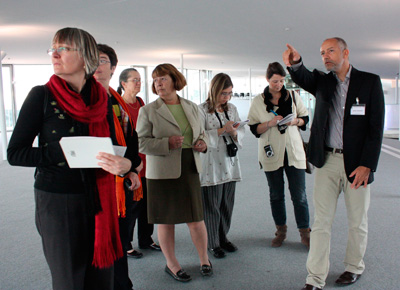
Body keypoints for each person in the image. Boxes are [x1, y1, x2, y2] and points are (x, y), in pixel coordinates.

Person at [7, 27, 134, 290]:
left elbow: (116, 147)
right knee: (70, 280)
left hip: (99, 199)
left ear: (86, 56)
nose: (54, 54)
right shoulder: (41, 96)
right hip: (57, 202)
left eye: (63, 48)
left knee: (102, 279)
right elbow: (15, 154)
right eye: (52, 49)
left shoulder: (101, 99)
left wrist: (126, 165)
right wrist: (65, 151)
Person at [282, 37, 385, 290]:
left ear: (345, 52)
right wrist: (296, 64)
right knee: (321, 222)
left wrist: (367, 164)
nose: (325, 56)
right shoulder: (322, 81)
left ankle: (353, 267)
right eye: (321, 53)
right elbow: (304, 77)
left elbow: (375, 127)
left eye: (330, 51)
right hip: (326, 161)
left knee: (357, 220)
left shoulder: (369, 82)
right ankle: (315, 278)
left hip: (357, 165)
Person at [136, 63, 212, 282]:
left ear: (175, 80)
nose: (158, 84)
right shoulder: (148, 110)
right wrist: (165, 143)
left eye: (163, 79)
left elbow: (203, 134)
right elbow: (140, 143)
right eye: (155, 80)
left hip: (189, 166)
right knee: (165, 220)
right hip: (162, 172)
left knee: (196, 219)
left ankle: (204, 259)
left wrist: (202, 144)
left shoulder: (191, 106)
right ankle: (172, 264)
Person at [94, 44, 143, 290]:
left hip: (120, 185)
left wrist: (132, 167)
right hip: (94, 186)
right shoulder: (83, 101)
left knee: (120, 242)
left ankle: (122, 284)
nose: (95, 65)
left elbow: (131, 144)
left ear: (113, 68)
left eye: (102, 60)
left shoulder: (117, 105)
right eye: (90, 59)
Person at [247, 62, 311, 248]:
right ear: (268, 80)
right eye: (275, 81)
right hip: (271, 152)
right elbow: (254, 128)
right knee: (276, 195)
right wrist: (270, 123)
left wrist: (295, 121)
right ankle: (281, 231)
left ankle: (305, 232)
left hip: (293, 151)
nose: (279, 84)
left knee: (299, 195)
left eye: (282, 81)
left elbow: (305, 118)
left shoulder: (292, 96)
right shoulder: (259, 101)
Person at [198, 73, 244, 259]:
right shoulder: (201, 109)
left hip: (230, 162)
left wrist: (234, 132)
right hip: (210, 164)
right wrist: (222, 130)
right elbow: (199, 136)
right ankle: (212, 243)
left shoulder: (231, 109)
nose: (227, 97)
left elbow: (241, 131)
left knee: (227, 204)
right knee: (211, 205)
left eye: (230, 93)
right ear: (214, 90)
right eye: (224, 93)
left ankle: (223, 237)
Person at [117, 68, 161, 258]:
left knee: (147, 206)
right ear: (123, 84)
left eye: (139, 80)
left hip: (147, 163)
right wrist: (132, 164)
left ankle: (146, 239)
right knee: (131, 207)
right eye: (134, 80)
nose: (138, 83)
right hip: (131, 165)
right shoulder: (118, 107)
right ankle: (125, 244)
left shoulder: (141, 104)